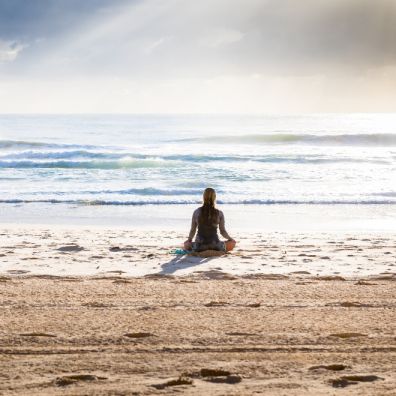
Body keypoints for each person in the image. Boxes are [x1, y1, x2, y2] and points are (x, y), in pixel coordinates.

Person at [184, 187, 236, 252]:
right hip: (215, 246)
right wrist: (230, 239)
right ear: (214, 197)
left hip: (199, 246)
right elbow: (222, 231)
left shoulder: (197, 212)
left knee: (186, 244)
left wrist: (189, 240)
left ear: (203, 197)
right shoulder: (219, 213)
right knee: (232, 243)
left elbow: (193, 230)